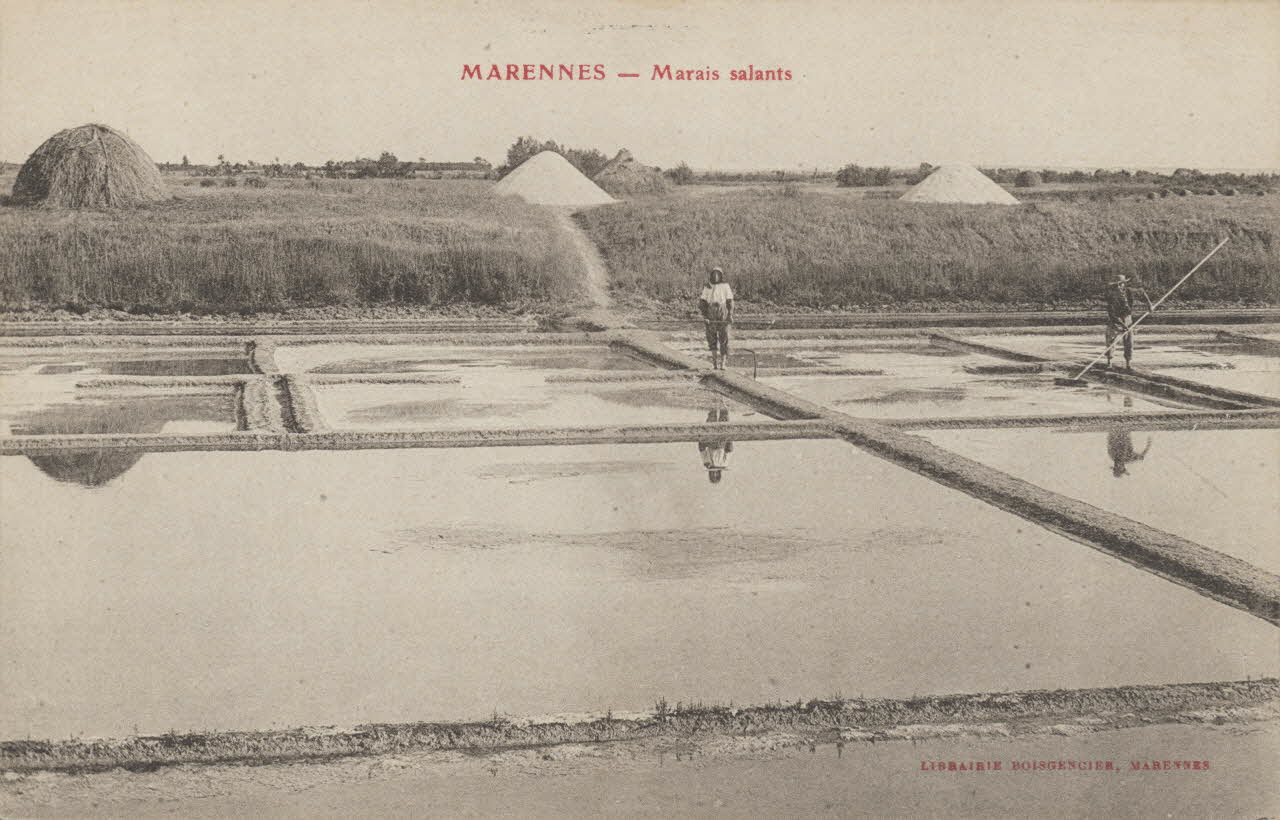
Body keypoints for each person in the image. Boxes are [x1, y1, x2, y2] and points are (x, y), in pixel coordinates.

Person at [1104, 275, 1151, 370]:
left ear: (1123, 284)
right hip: (1115, 320)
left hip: (1127, 318)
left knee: (1129, 342)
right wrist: (1123, 326)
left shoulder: (1129, 291)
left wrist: (1149, 304)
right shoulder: (1111, 296)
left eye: (1120, 284)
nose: (1118, 287)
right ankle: (1109, 362)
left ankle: (1128, 363)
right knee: (1111, 341)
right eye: (1116, 285)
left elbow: (1142, 292)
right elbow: (1112, 315)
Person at [699, 266, 734, 370]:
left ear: (721, 275)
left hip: (722, 310)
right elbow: (703, 303)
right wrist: (705, 316)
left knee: (724, 337)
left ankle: (723, 363)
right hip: (711, 311)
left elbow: (730, 301)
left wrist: (730, 315)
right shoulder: (708, 286)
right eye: (714, 274)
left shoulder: (725, 286)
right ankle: (714, 363)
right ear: (711, 275)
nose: (716, 276)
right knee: (712, 338)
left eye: (718, 274)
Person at [697, 407, 733, 484]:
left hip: (711, 443)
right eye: (716, 475)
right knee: (724, 423)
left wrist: (702, 440)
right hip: (721, 444)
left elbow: (702, 451)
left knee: (711, 424)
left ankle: (712, 407)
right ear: (719, 474)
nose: (715, 473)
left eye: (713, 475)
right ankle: (724, 408)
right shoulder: (724, 464)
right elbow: (729, 451)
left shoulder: (707, 464)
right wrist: (729, 439)